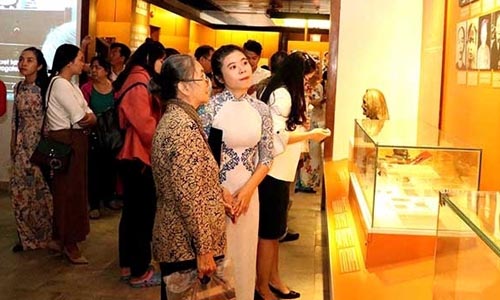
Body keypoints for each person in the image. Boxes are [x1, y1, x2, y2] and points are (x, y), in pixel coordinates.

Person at [151, 54, 228, 300]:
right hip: (185, 245)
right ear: (183, 87)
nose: (208, 82)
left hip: (181, 240)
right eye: (202, 76)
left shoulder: (180, 119)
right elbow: (190, 196)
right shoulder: (182, 128)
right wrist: (204, 250)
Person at [200, 44, 274, 300]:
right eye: (233, 66)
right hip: (218, 197)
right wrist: (222, 191)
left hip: (249, 196)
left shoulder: (261, 109)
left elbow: (267, 156)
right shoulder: (210, 108)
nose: (243, 69)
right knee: (220, 261)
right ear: (219, 77)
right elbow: (206, 157)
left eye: (244, 62)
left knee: (244, 258)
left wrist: (248, 190)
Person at [256, 51, 331, 300]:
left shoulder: (283, 92)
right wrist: (311, 136)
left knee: (275, 231)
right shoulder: (282, 95)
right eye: (306, 78)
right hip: (272, 170)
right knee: (268, 233)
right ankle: (262, 285)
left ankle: (273, 278)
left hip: (280, 169)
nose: (307, 84)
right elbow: (277, 136)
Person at [113, 40, 165, 287]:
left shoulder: (137, 78)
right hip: (138, 157)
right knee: (141, 217)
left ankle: (128, 266)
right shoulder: (138, 81)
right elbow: (145, 126)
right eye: (161, 60)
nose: (162, 65)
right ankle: (139, 271)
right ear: (150, 59)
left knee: (132, 215)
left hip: (134, 157)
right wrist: (166, 141)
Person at [46, 44, 97, 264]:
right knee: (68, 194)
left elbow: (90, 112)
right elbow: (81, 116)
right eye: (80, 59)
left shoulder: (72, 85)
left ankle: (61, 238)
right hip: (67, 141)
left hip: (75, 141)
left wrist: (90, 117)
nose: (83, 63)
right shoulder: (60, 85)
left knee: (73, 191)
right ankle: (68, 243)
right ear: (68, 61)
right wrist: (90, 118)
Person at [9, 47, 54, 252]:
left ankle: (45, 237)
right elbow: (15, 119)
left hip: (40, 146)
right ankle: (26, 238)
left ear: (40, 65)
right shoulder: (18, 87)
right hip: (21, 145)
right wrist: (13, 142)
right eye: (21, 60)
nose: (23, 63)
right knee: (20, 192)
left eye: (29, 60)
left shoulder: (45, 88)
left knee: (40, 193)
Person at [80, 56, 119, 219]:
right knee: (94, 169)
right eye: (93, 67)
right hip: (93, 135)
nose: (94, 71)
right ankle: (94, 204)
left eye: (98, 68)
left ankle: (109, 198)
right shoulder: (86, 88)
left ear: (107, 71)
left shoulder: (115, 88)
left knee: (111, 167)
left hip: (112, 135)